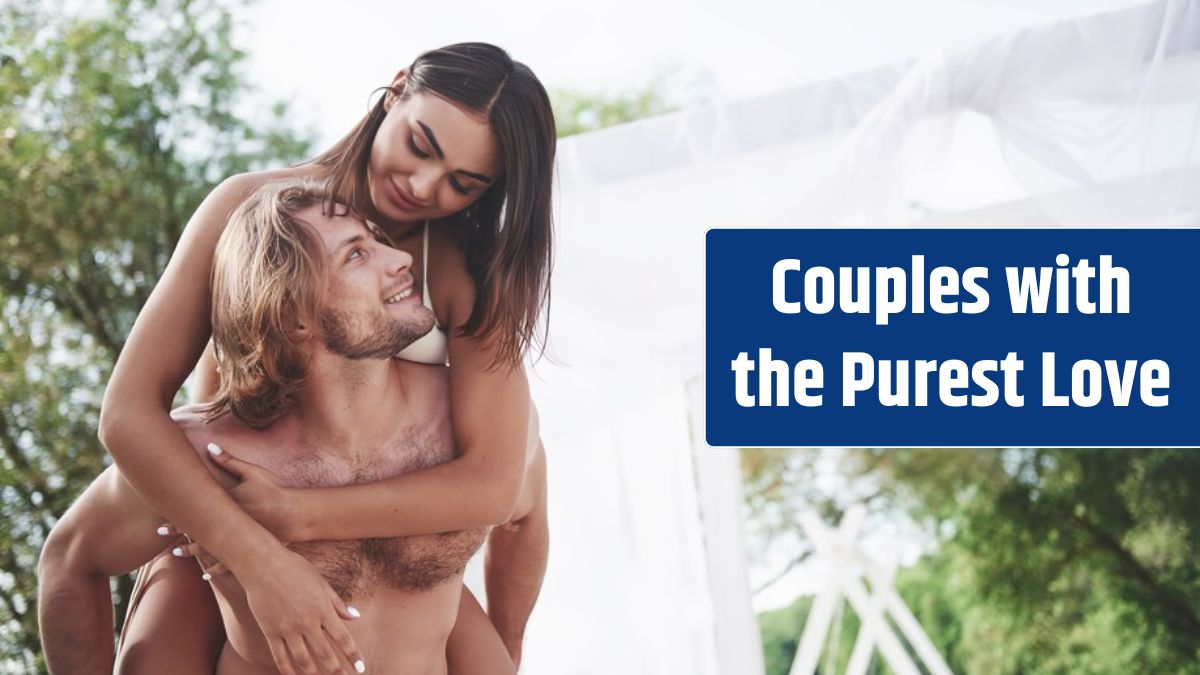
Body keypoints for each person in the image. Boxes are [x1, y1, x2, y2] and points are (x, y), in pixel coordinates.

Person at [83, 42, 554, 673]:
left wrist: (301, 515)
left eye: (462, 184)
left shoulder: (469, 270)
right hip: (222, 528)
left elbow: (495, 485)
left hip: (387, 554)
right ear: (395, 91)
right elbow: (128, 414)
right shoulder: (248, 210)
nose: (422, 187)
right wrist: (259, 560)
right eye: (420, 145)